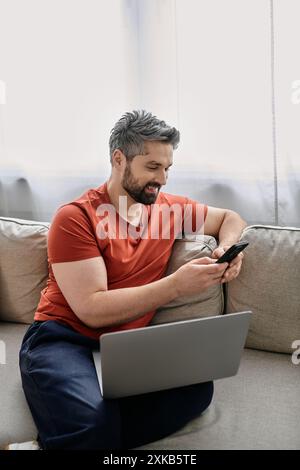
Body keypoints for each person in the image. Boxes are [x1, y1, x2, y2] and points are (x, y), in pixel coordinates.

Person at [19, 110, 247, 450]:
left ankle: (76, 433)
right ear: (118, 159)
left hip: (126, 348)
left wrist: (229, 249)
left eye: (167, 168)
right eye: (152, 167)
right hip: (64, 338)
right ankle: (84, 427)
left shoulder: (169, 211)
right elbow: (92, 310)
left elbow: (230, 218)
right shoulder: (75, 218)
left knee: (198, 391)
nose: (163, 179)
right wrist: (176, 285)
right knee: (95, 420)